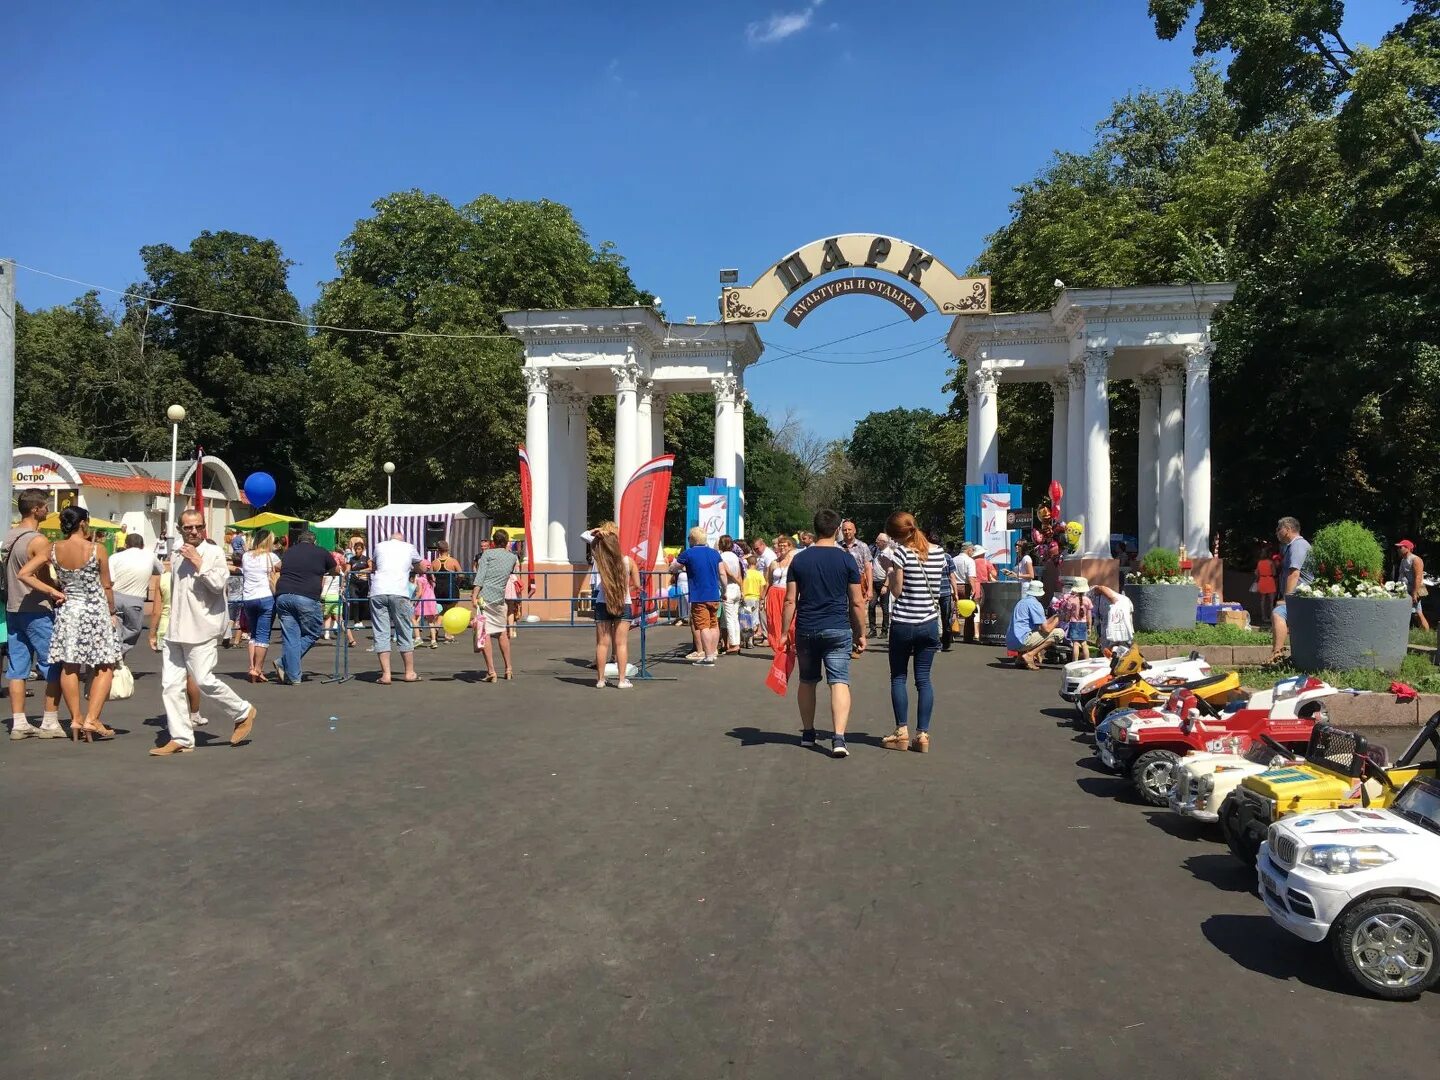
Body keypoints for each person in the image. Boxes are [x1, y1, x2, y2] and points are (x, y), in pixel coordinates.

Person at [149, 509, 257, 755]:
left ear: (205, 527)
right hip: (175, 628)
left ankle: (242, 710)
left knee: (203, 679)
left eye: (198, 527)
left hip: (203, 627)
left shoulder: (214, 552)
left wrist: (198, 561)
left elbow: (219, 585)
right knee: (170, 685)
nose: (194, 532)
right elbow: (174, 589)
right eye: (188, 528)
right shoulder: (177, 552)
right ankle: (181, 738)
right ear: (181, 529)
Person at [19, 506, 122, 741]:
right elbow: (106, 585)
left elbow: (24, 574)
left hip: (69, 611)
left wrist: (53, 591)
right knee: (105, 665)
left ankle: (75, 718)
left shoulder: (53, 549)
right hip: (95, 611)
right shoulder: (96, 549)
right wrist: (112, 611)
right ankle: (92, 719)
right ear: (84, 523)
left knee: (70, 666)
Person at [782, 509, 864, 757]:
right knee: (839, 681)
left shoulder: (799, 560)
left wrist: (785, 632)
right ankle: (838, 738)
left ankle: (808, 733)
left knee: (807, 681)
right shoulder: (846, 559)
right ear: (838, 529)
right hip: (838, 628)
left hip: (806, 628)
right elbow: (857, 601)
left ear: (814, 528)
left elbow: (789, 600)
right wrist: (861, 632)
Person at [878, 510, 946, 753]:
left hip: (904, 623)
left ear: (897, 536)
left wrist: (890, 570)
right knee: (924, 679)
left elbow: (897, 591)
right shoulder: (939, 552)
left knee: (898, 677)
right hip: (929, 623)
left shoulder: (901, 553)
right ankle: (923, 734)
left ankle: (901, 732)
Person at [5, 490, 64, 740]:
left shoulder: (9, 535)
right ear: (36, 509)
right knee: (53, 664)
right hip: (37, 609)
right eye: (45, 505)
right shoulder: (38, 540)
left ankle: (19, 723)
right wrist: (54, 589)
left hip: (12, 607)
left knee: (17, 667)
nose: (47, 509)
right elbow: (38, 576)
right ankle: (49, 720)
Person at [272, 530, 337, 685]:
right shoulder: (321, 552)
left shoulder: (289, 552)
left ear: (298, 541)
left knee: (291, 636)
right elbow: (335, 570)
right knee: (313, 632)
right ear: (314, 541)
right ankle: (283, 662)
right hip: (306, 596)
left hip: (283, 595)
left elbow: (277, 567)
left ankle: (294, 676)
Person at [586, 524, 640, 689]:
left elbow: (588, 540)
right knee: (621, 644)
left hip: (603, 602)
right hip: (623, 603)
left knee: (602, 643)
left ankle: (601, 680)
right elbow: (637, 584)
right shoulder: (629, 562)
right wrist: (626, 590)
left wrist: (597, 533)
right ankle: (622, 680)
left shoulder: (602, 562)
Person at [371, 530, 422, 684]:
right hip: (400, 592)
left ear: (390, 539)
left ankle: (386, 675)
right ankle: (409, 672)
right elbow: (420, 567)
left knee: (381, 632)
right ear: (402, 539)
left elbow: (373, 566)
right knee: (404, 630)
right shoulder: (409, 547)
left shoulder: (379, 546)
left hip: (378, 591)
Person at [671, 527, 723, 665]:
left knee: (703, 626)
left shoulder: (688, 554)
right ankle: (713, 652)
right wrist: (724, 590)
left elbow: (674, 567)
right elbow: (722, 573)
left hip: (699, 595)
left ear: (692, 539)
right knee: (713, 624)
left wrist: (678, 568)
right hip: (714, 594)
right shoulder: (714, 553)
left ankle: (708, 657)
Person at [472, 528, 519, 681]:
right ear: (506, 542)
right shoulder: (512, 558)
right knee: (502, 633)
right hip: (500, 598)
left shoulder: (487, 554)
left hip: (485, 598)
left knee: (484, 634)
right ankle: (509, 668)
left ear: (493, 542)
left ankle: (491, 671)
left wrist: (473, 595)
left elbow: (480, 577)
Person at [108, 533, 160, 658]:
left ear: (125, 544)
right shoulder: (149, 556)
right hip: (135, 600)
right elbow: (161, 570)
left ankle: (113, 659)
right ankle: (117, 657)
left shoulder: (115, 557)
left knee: (115, 633)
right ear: (143, 545)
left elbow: (110, 579)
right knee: (133, 631)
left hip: (115, 596)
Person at [239, 531, 280, 682]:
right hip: (265, 597)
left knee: (253, 634)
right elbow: (282, 568)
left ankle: (251, 667)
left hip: (248, 598)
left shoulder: (246, 556)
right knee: (263, 635)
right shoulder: (271, 557)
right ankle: (258, 669)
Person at [1270, 516, 1313, 663]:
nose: (1277, 532)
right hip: (1299, 596)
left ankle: (1277, 654)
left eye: (1279, 529)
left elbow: (1294, 573)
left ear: (1288, 530)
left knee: (1278, 614)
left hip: (1301, 597)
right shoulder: (1292, 547)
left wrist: (1286, 599)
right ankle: (1277, 653)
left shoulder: (1298, 546)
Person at [1006, 579, 1064, 669]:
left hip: (1011, 641)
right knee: (1059, 633)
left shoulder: (1021, 602)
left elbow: (1041, 623)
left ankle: (1020, 657)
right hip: (1023, 640)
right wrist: (1058, 619)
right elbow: (1046, 629)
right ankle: (1030, 655)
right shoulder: (1036, 604)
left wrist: (1055, 616)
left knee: (1027, 629)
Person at [841, 519, 873, 659]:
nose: (847, 532)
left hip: (858, 581)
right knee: (844, 612)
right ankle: (846, 644)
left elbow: (868, 568)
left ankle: (858, 641)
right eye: (844, 530)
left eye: (849, 529)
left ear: (855, 531)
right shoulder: (837, 546)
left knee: (857, 612)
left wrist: (870, 588)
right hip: (841, 582)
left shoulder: (862, 546)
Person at [765, 533, 797, 656]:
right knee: (774, 620)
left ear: (790, 547)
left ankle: (791, 644)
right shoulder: (774, 563)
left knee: (791, 620)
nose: (782, 548)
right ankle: (779, 647)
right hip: (774, 592)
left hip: (788, 591)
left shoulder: (794, 561)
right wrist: (764, 597)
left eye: (785, 545)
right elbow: (769, 581)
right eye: (780, 545)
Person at [1091, 583, 1134, 655]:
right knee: (1115, 636)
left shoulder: (1090, 592)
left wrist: (1113, 600)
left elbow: (1101, 587)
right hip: (1114, 610)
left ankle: (1119, 653)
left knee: (1117, 634)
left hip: (1118, 607)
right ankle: (1116, 654)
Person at [431, 540, 462, 638]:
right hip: (451, 588)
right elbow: (461, 574)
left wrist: (435, 581)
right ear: (447, 549)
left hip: (439, 590)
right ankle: (448, 633)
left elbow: (431, 576)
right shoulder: (453, 561)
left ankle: (436, 627)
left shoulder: (434, 562)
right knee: (451, 610)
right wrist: (458, 583)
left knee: (442, 611)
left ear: (438, 550)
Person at [717, 535, 743, 654]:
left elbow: (725, 572)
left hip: (728, 588)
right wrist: (740, 585)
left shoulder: (721, 556)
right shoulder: (735, 556)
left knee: (729, 618)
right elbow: (739, 573)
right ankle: (736, 642)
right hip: (736, 588)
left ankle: (733, 644)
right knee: (734, 617)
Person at [1396, 540, 1429, 632]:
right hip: (1407, 590)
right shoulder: (1403, 560)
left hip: (1415, 590)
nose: (1398, 549)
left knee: (1418, 612)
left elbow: (1418, 577)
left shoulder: (1415, 560)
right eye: (1398, 547)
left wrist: (1414, 593)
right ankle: (1424, 632)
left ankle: (1426, 633)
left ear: (1408, 548)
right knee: (1415, 613)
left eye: (1400, 547)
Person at [1063, 578, 1094, 661]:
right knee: (1084, 643)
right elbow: (1089, 616)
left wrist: (1066, 619)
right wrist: (1089, 627)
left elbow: (1068, 614)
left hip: (1074, 624)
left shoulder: (1071, 600)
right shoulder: (1088, 600)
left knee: (1075, 644)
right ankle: (1087, 660)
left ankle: (1075, 662)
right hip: (1083, 624)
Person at [868, 532, 892, 639]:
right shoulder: (876, 550)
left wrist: (885, 585)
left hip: (883, 582)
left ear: (884, 542)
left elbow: (891, 571)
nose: (876, 541)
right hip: (874, 582)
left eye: (878, 540)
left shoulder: (889, 553)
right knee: (871, 605)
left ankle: (884, 630)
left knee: (884, 607)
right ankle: (873, 630)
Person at [347, 536, 372, 629]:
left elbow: (371, 568)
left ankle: (360, 620)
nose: (357, 551)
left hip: (363, 583)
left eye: (359, 549)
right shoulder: (352, 559)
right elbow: (348, 570)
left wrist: (362, 571)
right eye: (356, 549)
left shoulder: (366, 559)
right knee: (355, 600)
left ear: (362, 549)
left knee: (363, 603)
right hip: (354, 583)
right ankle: (356, 621)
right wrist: (344, 576)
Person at [741, 553, 765, 647]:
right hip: (755, 598)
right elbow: (762, 586)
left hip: (746, 598)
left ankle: (745, 639)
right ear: (757, 563)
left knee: (746, 619)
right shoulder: (759, 574)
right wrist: (761, 598)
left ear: (747, 563)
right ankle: (750, 640)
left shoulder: (745, 573)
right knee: (754, 618)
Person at [413, 561, 439, 648]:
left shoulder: (420, 579)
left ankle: (417, 637)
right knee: (431, 622)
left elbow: (420, 592)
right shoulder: (431, 579)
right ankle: (434, 641)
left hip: (423, 601)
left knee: (414, 619)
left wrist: (413, 601)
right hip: (431, 600)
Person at [1253, 543, 1278, 624]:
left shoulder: (1259, 562)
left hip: (1262, 580)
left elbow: (1257, 573)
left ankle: (1263, 616)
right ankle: (1272, 617)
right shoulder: (1271, 562)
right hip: (1270, 580)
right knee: (1271, 601)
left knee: (1262, 600)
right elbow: (1274, 573)